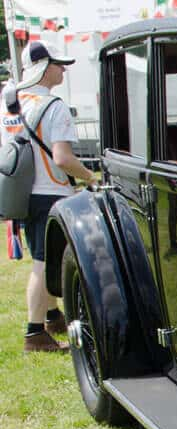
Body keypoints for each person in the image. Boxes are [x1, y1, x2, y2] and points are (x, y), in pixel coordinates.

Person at [1, 42, 96, 352]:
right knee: (43, 263)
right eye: (59, 64)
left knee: (44, 257)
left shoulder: (9, 103)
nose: (64, 69)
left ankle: (53, 315)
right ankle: (34, 333)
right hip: (51, 193)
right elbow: (62, 158)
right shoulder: (54, 106)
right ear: (44, 67)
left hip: (22, 193)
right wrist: (90, 176)